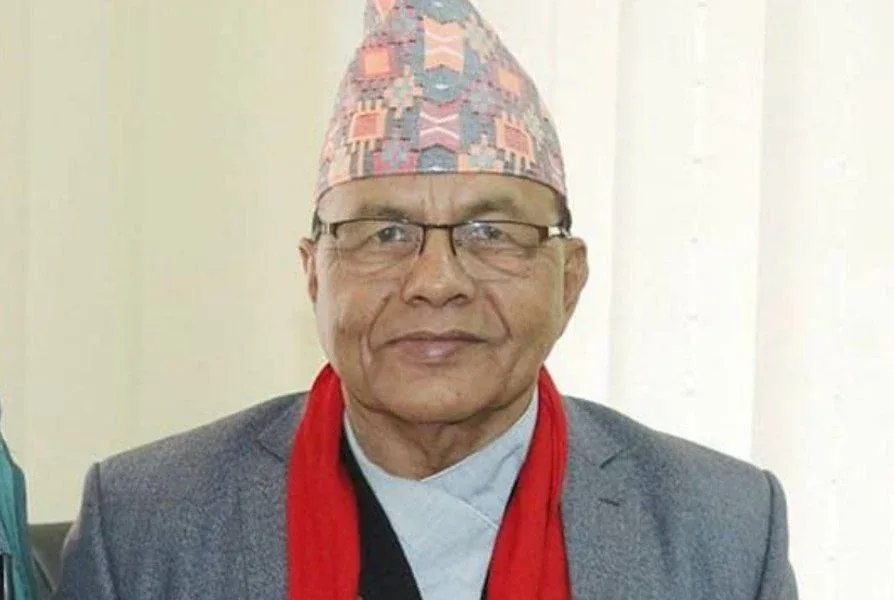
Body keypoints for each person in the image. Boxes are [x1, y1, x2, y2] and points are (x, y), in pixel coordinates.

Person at [54, 0, 798, 598]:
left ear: (570, 279)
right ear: (314, 276)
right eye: (384, 233)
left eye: (491, 232)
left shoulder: (721, 530)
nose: (437, 281)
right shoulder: (147, 523)